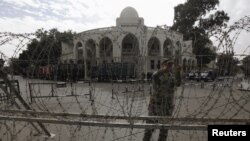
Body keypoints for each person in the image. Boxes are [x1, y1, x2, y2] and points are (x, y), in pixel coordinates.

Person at [143, 59, 181, 141]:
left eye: (170, 65)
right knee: (149, 130)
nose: (169, 67)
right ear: (162, 65)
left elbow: (178, 83)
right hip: (155, 106)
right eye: (166, 64)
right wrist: (164, 70)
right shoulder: (157, 75)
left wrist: (178, 72)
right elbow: (154, 77)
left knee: (164, 131)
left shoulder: (171, 76)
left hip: (167, 107)